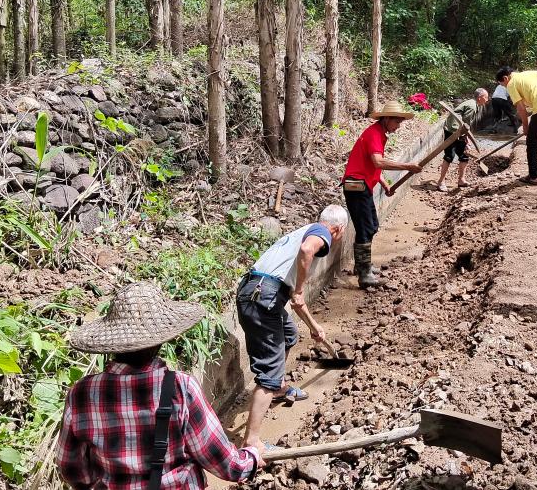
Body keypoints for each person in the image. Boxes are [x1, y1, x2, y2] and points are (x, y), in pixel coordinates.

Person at [58, 282, 265, 489]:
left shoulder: (81, 393)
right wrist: (252, 456)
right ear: (160, 341)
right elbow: (226, 465)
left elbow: (72, 470)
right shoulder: (181, 387)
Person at [237, 205, 349, 448]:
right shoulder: (321, 233)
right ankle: (252, 442)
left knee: (289, 333)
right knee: (268, 371)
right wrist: (299, 289)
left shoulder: (301, 233)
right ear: (339, 229)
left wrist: (314, 326)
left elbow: (296, 301)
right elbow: (307, 252)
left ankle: (278, 388)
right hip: (263, 297)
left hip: (257, 290)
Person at [342, 100, 422, 288]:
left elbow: (372, 165)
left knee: (371, 226)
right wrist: (407, 166)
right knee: (365, 228)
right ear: (386, 119)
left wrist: (385, 184)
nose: (398, 126)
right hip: (357, 186)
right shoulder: (373, 134)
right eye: (397, 122)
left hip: (363, 185)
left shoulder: (378, 134)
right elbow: (378, 162)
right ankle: (364, 275)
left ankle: (362, 265)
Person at [437, 88, 489, 191]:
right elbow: (465, 124)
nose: (487, 100)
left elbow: (465, 126)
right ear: (480, 98)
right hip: (452, 130)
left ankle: (461, 180)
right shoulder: (472, 106)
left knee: (464, 155)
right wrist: (465, 137)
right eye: (486, 97)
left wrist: (466, 138)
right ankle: (441, 182)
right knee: (449, 156)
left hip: (459, 130)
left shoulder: (473, 104)